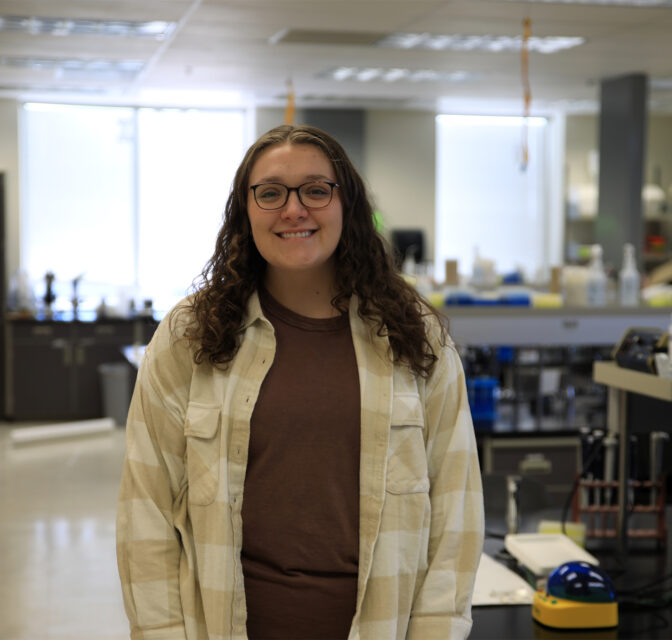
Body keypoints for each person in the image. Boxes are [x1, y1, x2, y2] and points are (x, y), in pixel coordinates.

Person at [116, 124, 484, 640]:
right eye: (270, 193)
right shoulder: (189, 337)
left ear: (346, 205)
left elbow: (457, 509)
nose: (294, 210)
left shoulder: (413, 335)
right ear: (245, 211)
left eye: (316, 189)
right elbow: (145, 510)